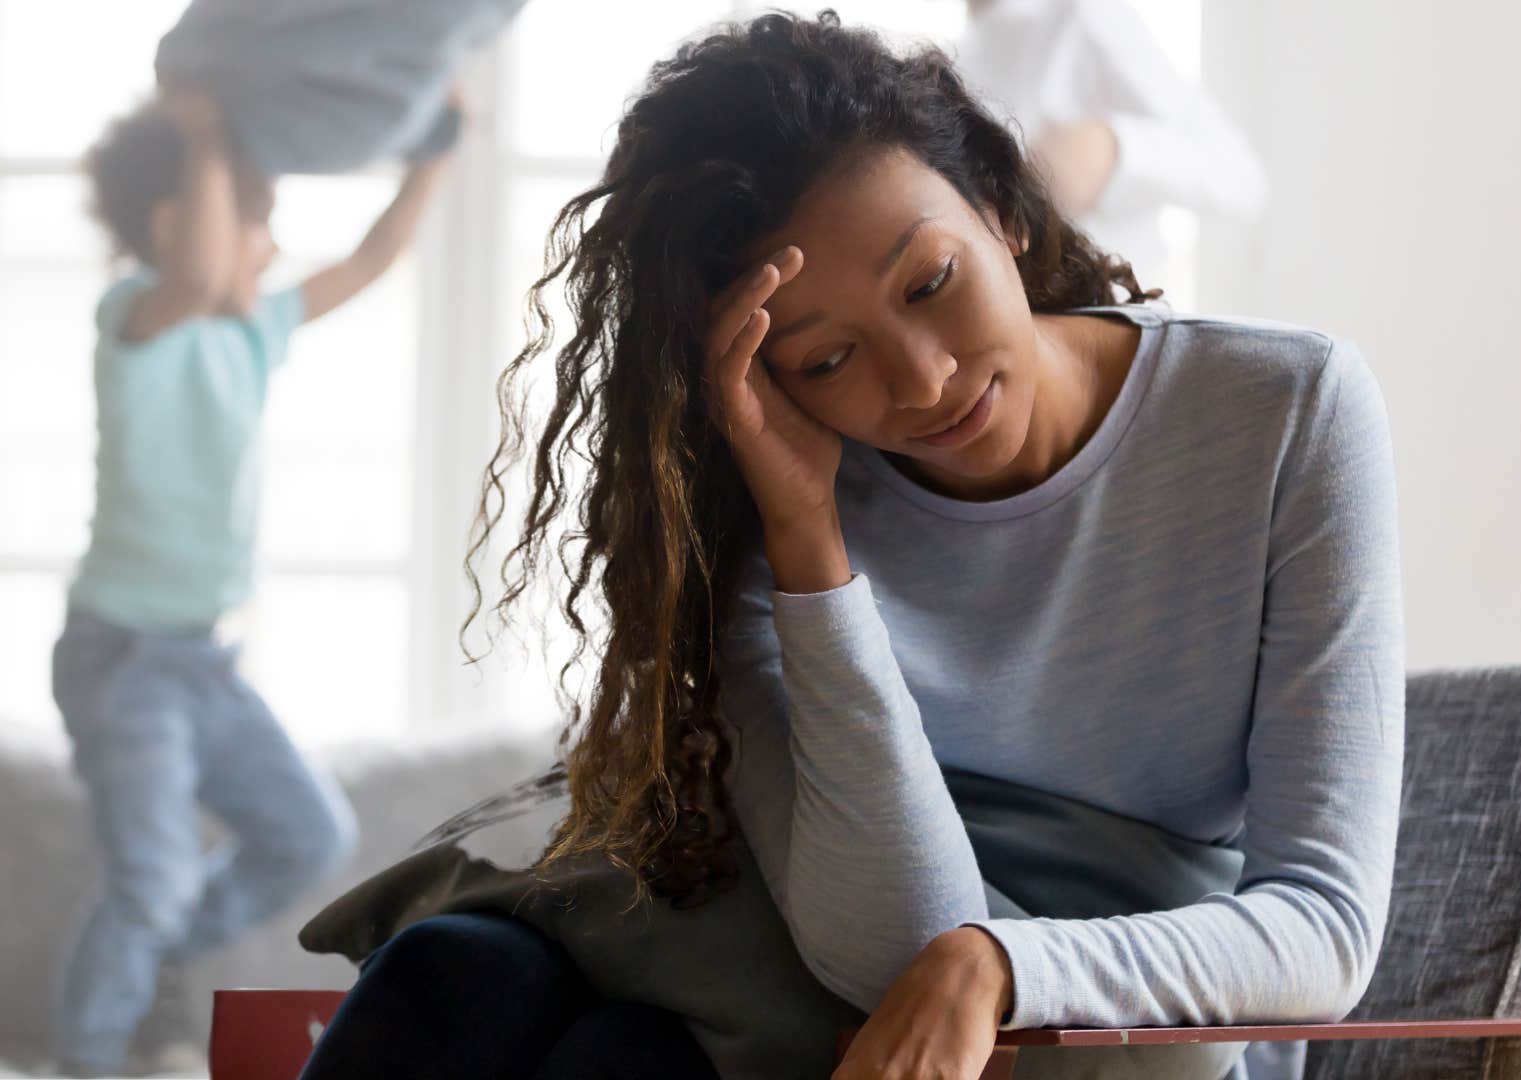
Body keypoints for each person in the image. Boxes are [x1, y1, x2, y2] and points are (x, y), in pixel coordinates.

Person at [303, 10, 1401, 1080]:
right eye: (827, 360)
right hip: (806, 912)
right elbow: (885, 935)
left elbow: (1325, 923)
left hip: (1105, 985)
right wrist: (807, 539)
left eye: (931, 283)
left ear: (1003, 207)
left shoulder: (1288, 413)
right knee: (462, 985)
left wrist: (995, 966)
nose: (924, 382)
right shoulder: (768, 491)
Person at [51, 81, 454, 1078]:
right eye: (254, 224)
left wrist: (433, 155)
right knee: (147, 880)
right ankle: (89, 1060)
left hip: (203, 662)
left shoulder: (251, 329)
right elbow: (192, 266)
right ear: (178, 223)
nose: (270, 248)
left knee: (311, 835)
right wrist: (205, 142)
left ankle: (154, 951)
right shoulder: (139, 322)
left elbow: (370, 260)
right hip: (124, 663)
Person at [955, 0, 1267, 295]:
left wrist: (1113, 149)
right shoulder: (957, 61)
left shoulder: (1085, 16)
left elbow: (1239, 175)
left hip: (1121, 316)